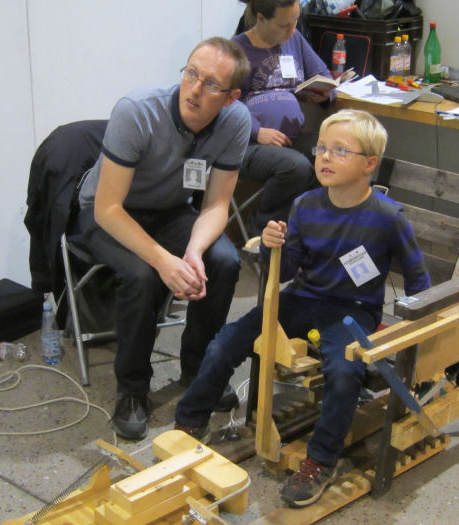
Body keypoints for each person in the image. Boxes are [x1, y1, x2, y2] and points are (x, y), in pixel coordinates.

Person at [174, 109, 432, 507]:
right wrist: (274, 246)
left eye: (339, 151)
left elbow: (417, 278)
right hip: (300, 298)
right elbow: (288, 271)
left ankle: (321, 460)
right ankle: (191, 422)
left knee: (344, 373)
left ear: (369, 164)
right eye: (322, 149)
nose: (325, 157)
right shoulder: (305, 205)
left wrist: (420, 331)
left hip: (352, 310)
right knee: (224, 343)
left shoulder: (387, 218)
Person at [75, 37, 252, 441]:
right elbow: (107, 209)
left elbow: (217, 204)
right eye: (191, 74)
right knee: (142, 275)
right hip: (106, 213)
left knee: (223, 260)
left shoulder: (236, 121)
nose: (194, 89)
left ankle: (199, 369)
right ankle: (132, 390)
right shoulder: (138, 111)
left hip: (169, 212)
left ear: (231, 97)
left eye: (210, 84)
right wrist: (162, 260)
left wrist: (193, 251)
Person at [233, 0, 336, 235]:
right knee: (296, 167)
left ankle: (309, 230)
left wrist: (323, 95)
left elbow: (323, 75)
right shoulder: (235, 50)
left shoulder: (295, 39)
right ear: (261, 19)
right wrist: (257, 131)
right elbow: (224, 106)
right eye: (284, 25)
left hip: (291, 139)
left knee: (339, 155)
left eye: (295, 21)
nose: (292, 30)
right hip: (247, 144)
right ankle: (263, 228)